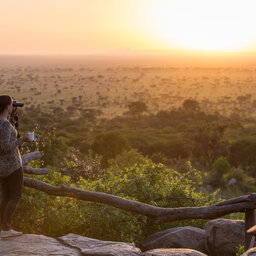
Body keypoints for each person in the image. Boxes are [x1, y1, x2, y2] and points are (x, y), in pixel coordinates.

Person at [0, 95, 30, 238]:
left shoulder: (2, 122)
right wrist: (21, 140)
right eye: (12, 104)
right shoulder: (4, 125)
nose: (13, 106)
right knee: (15, 196)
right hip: (12, 165)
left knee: (5, 196)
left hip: (2, 167)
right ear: (6, 106)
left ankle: (2, 228)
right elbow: (4, 146)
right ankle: (6, 228)